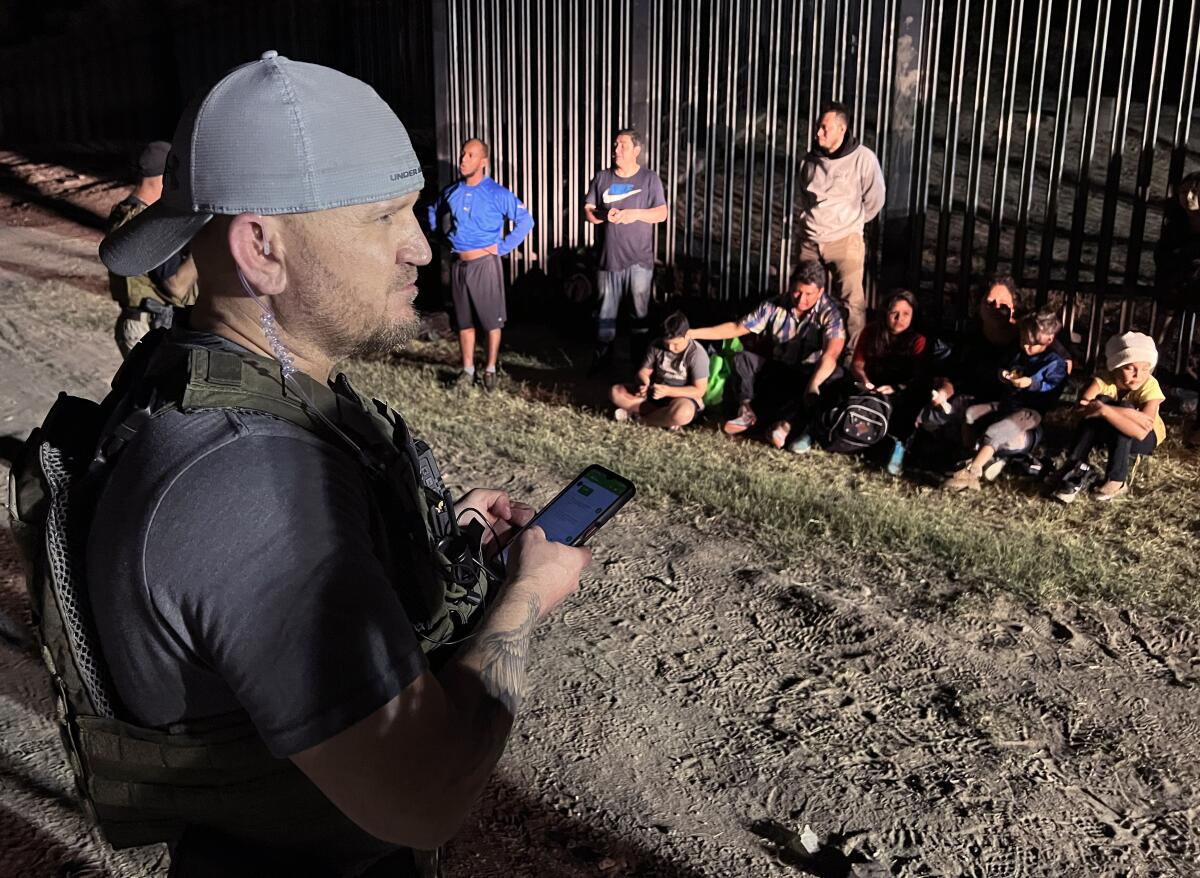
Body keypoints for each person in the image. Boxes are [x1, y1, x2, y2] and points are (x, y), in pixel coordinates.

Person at [50, 52, 592, 876]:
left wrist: (435, 536)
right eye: (385, 217)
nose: (423, 244)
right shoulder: (250, 485)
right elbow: (425, 796)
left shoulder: (225, 383)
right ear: (261, 248)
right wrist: (526, 594)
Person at [686, 260, 846, 449]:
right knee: (742, 358)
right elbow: (737, 327)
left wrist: (814, 384)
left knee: (835, 373)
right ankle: (745, 410)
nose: (801, 299)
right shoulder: (774, 305)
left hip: (809, 373)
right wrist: (692, 333)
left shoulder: (830, 313)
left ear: (820, 291)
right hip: (779, 370)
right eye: (797, 291)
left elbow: (831, 354)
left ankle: (787, 426)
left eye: (808, 294)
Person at [427, 138, 534, 391]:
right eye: (463, 154)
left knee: (491, 322)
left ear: (483, 162)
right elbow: (433, 208)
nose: (463, 159)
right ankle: (467, 371)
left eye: (470, 155)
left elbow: (525, 220)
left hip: (485, 265)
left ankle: (490, 370)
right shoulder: (453, 191)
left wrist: (502, 247)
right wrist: (439, 236)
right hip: (459, 265)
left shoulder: (497, 193)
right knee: (464, 322)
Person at [942, 308, 1069, 492]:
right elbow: (1003, 366)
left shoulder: (1054, 362)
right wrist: (1002, 374)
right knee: (971, 414)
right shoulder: (1017, 351)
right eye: (1023, 341)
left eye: (1032, 344)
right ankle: (970, 455)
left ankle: (973, 471)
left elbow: (1053, 387)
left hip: (1030, 412)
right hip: (1006, 404)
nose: (1026, 347)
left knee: (997, 432)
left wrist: (1031, 383)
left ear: (1048, 339)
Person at [795, 101, 886, 351]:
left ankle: (853, 358)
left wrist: (852, 223)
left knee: (852, 304)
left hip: (845, 239)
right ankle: (805, 350)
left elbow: (875, 198)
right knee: (804, 298)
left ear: (841, 129)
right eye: (818, 127)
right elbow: (805, 194)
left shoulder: (863, 159)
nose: (818, 133)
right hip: (811, 239)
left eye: (824, 128)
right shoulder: (809, 160)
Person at [583, 128, 668, 370]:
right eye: (615, 145)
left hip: (639, 261)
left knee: (639, 312)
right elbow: (588, 210)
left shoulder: (650, 180)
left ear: (636, 151)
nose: (616, 150)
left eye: (623, 146)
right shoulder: (602, 178)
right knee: (604, 312)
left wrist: (636, 215)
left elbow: (662, 213)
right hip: (608, 260)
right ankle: (602, 360)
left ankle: (639, 363)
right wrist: (603, 215)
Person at [105, 140, 198, 356]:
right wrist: (203, 246)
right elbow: (175, 285)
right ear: (165, 176)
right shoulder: (144, 222)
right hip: (149, 330)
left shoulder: (126, 213)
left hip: (144, 325)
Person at [1052, 332, 1166, 503]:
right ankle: (1075, 466)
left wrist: (1106, 410)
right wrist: (1106, 408)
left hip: (1144, 438)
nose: (1138, 375)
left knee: (1117, 406)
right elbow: (1081, 409)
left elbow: (1142, 431)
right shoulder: (1103, 379)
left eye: (1145, 368)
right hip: (1109, 430)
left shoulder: (1150, 385)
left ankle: (1117, 480)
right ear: (1115, 366)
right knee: (1101, 406)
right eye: (1130, 368)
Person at [848, 289, 929, 474]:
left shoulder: (918, 340)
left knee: (910, 403)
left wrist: (896, 388)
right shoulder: (870, 332)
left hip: (900, 388)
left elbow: (919, 378)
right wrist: (865, 381)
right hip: (871, 383)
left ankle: (899, 446)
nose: (899, 318)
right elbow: (857, 364)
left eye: (906, 314)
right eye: (894, 313)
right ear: (886, 312)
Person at [609, 310, 709, 429]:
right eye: (667, 344)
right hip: (656, 394)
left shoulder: (697, 353)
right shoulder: (656, 345)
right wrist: (644, 383)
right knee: (615, 392)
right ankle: (664, 419)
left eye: (675, 344)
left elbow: (699, 390)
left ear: (687, 335)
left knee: (682, 413)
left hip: (681, 399)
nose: (671, 348)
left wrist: (668, 391)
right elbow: (643, 372)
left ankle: (642, 420)